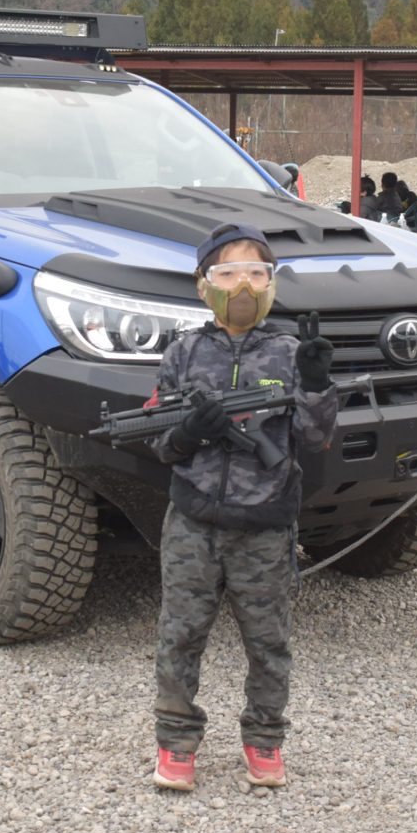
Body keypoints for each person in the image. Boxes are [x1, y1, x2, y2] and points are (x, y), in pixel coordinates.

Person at [148, 224, 338, 792]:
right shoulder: (183, 353)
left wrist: (316, 384)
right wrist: (188, 431)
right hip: (193, 524)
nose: (244, 286)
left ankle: (265, 739)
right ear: (203, 284)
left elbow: (316, 438)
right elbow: (159, 442)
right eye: (229, 273)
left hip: (264, 528)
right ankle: (176, 742)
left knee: (268, 641)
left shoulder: (287, 353)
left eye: (258, 273)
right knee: (180, 635)